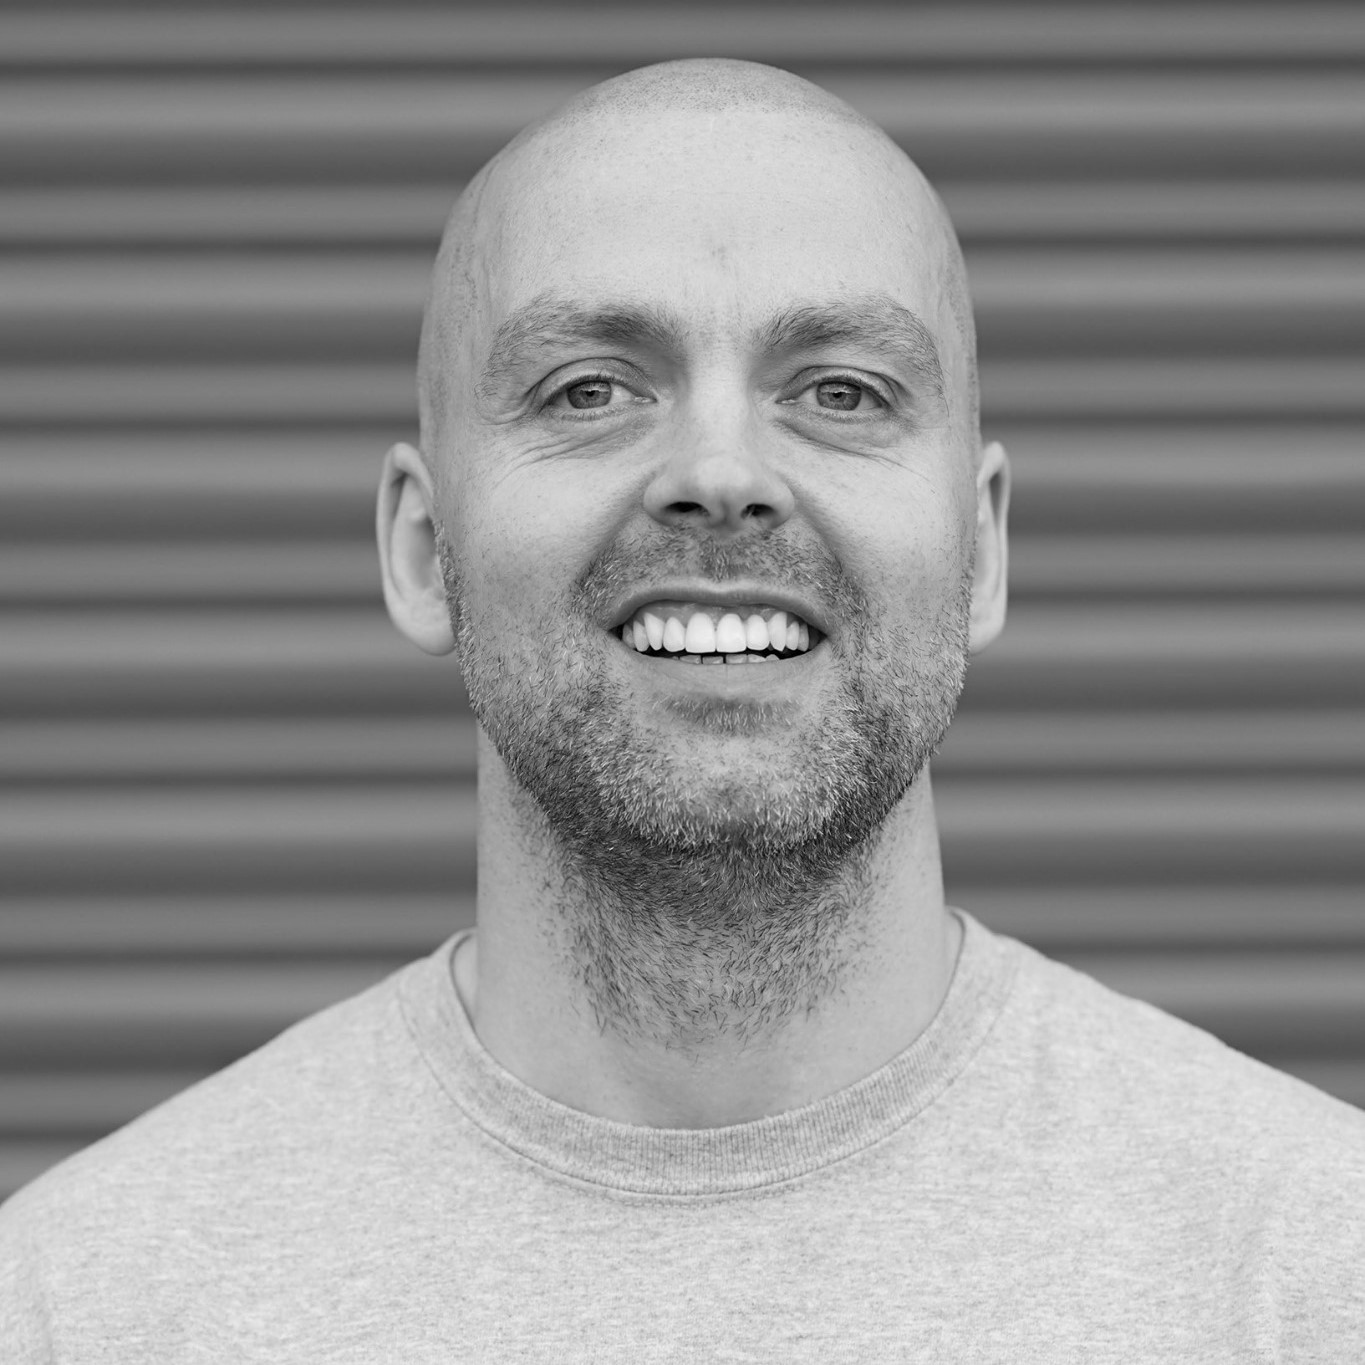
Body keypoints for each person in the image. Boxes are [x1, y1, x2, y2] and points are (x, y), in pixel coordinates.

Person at [2, 58, 1361, 1362]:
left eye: (841, 391)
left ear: (982, 548)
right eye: (590, 388)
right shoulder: (80, 1308)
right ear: (423, 547)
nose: (720, 471)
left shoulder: (1314, 1274)